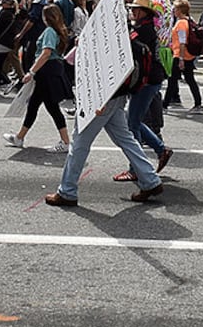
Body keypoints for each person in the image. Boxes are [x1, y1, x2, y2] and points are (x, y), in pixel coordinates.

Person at [44, 11, 165, 208]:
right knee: (125, 139)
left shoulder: (105, 39)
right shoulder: (123, 37)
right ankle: (150, 180)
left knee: (80, 143)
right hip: (117, 97)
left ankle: (67, 191)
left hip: (102, 99)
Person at [2, 3, 72, 152]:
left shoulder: (49, 31)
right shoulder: (59, 30)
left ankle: (65, 141)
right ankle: (19, 137)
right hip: (51, 71)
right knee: (35, 105)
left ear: (46, 17)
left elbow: (46, 53)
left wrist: (31, 72)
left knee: (50, 108)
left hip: (46, 72)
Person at [121, 0, 172, 175]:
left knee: (132, 123)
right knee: (132, 121)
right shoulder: (145, 27)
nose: (132, 11)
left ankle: (135, 168)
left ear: (143, 12)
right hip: (148, 80)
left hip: (146, 81)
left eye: (135, 9)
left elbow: (130, 46)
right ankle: (160, 150)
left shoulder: (144, 30)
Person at [164, 0, 203, 112]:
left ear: (180, 10)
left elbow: (182, 41)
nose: (174, 11)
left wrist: (180, 58)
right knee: (190, 79)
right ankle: (198, 103)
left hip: (180, 55)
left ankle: (165, 104)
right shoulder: (188, 21)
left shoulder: (181, 23)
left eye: (175, 8)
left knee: (172, 80)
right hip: (187, 56)